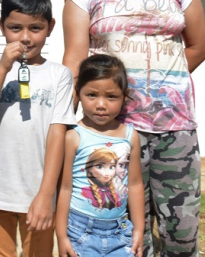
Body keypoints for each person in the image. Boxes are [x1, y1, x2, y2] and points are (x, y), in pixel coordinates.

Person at [62, 0, 205, 257]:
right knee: (125, 231)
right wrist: (65, 123)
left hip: (175, 129)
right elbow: (74, 62)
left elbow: (199, 47)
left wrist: (161, 82)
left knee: (182, 232)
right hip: (116, 134)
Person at [0, 0, 76, 257]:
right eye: (15, 28)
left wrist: (46, 194)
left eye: (36, 28)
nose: (26, 38)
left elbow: (58, 134)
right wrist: (3, 67)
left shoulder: (59, 75)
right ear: (1, 25)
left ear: (51, 27)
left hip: (38, 193)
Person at [56, 54, 146, 257]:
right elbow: (64, 188)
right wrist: (62, 236)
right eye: (92, 95)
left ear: (125, 96)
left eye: (111, 96)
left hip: (121, 232)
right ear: (78, 93)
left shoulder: (131, 137)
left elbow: (135, 184)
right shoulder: (73, 136)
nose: (101, 105)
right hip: (80, 231)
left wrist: (139, 229)